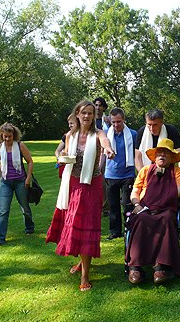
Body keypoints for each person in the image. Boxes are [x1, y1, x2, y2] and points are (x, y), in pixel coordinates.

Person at [46, 100, 115, 292]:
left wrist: (108, 150)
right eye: (83, 113)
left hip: (92, 185)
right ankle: (81, 263)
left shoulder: (99, 133)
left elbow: (105, 143)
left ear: (94, 116)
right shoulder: (70, 135)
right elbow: (65, 155)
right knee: (74, 224)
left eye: (90, 113)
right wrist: (62, 157)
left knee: (87, 227)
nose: (87, 116)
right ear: (77, 114)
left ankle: (85, 275)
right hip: (73, 184)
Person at [126, 138, 180, 285]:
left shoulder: (176, 171)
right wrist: (136, 204)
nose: (162, 155)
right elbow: (135, 191)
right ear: (155, 156)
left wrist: (165, 198)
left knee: (166, 219)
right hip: (145, 207)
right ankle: (136, 267)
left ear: (172, 157)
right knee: (141, 220)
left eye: (166, 153)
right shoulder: (145, 171)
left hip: (166, 208)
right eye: (160, 152)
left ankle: (161, 266)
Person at [0, 123, 36, 247]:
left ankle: (29, 227)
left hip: (20, 181)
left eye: (9, 136)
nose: (7, 139)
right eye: (5, 136)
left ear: (14, 135)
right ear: (1, 135)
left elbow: (30, 162)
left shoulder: (20, 145)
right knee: (3, 211)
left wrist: (27, 178)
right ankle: (0, 237)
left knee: (25, 208)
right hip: (5, 182)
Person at [104, 107, 137, 240]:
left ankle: (129, 230)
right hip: (110, 174)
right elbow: (102, 153)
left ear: (123, 119)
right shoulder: (106, 134)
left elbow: (137, 154)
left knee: (127, 204)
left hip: (127, 175)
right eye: (113, 122)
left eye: (119, 122)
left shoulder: (133, 134)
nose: (116, 125)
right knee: (113, 206)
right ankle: (115, 231)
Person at [94, 96, 110, 217]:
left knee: (104, 180)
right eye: (96, 105)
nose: (98, 107)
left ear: (104, 107)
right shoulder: (90, 120)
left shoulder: (108, 121)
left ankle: (105, 207)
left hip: (105, 152)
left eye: (100, 105)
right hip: (93, 152)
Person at [55, 114, 77, 178]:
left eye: (72, 123)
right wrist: (59, 158)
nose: (69, 126)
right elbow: (57, 150)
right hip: (67, 166)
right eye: (69, 123)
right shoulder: (66, 136)